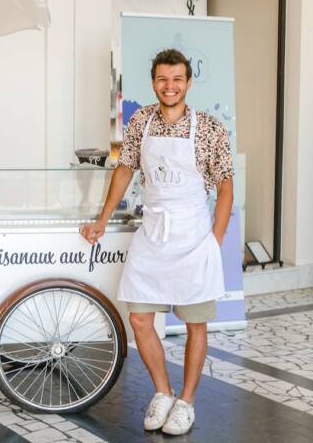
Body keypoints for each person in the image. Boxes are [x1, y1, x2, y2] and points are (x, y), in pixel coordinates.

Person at [80, 48, 233, 436]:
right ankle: (163, 392)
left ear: (188, 82)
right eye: (163, 79)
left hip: (194, 236)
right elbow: (125, 170)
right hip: (153, 232)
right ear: (153, 82)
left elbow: (226, 185)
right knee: (139, 317)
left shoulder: (210, 128)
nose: (170, 86)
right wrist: (101, 219)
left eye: (177, 79)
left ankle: (187, 402)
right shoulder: (140, 122)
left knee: (196, 323)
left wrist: (215, 239)